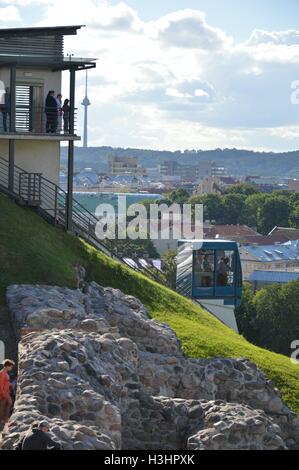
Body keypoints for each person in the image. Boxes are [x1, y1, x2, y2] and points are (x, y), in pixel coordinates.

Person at [0, 359, 15, 425]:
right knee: (8, 403)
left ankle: (3, 419)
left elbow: (6, 382)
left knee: (4, 405)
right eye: (11, 366)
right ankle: (4, 419)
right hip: (3, 392)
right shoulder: (2, 373)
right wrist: (2, 393)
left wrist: (10, 384)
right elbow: (0, 384)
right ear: (7, 366)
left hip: (6, 392)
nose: (11, 368)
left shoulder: (5, 372)